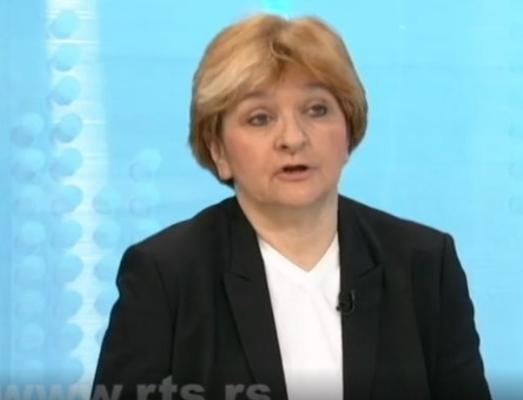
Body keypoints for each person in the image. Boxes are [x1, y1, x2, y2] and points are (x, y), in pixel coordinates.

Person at [92, 13, 491, 400]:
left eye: (316, 109)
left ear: (348, 130)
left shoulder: (424, 264)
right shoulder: (166, 276)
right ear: (218, 151)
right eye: (260, 118)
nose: (293, 138)